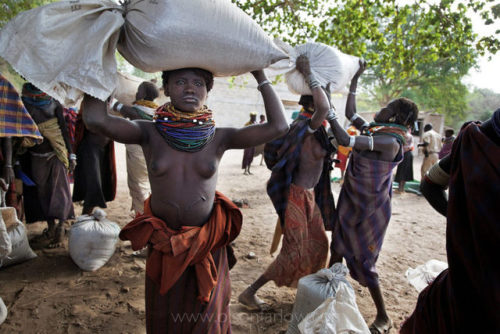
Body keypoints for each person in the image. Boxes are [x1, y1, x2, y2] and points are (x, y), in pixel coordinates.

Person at [82, 67, 288, 333]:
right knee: (167, 318)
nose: (190, 88)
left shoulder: (220, 136)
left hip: (206, 244)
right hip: (165, 246)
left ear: (207, 90)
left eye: (199, 83)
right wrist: (100, 60)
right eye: (180, 82)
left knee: (207, 320)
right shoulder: (149, 133)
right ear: (166, 89)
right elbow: (95, 119)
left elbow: (279, 126)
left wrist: (260, 76)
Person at [327, 61, 419, 334]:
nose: (382, 109)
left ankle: (382, 315)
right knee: (337, 250)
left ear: (396, 118)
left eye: (387, 108)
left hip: (371, 207)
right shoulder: (376, 131)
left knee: (365, 262)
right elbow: (351, 113)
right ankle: (330, 299)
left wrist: (326, 105)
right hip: (352, 199)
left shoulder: (391, 142)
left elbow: (344, 138)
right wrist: (355, 79)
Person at [238, 55, 335, 310]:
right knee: (292, 251)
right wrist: (309, 74)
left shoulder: (319, 129)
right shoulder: (305, 125)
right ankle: (249, 292)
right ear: (314, 103)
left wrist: (327, 87)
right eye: (324, 96)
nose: (329, 101)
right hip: (295, 195)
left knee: (319, 245)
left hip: (309, 197)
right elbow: (324, 108)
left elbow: (338, 128)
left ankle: (308, 294)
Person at [400, 109, 500, 334]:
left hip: (462, 292)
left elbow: (430, 184)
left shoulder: (478, 140)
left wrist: (465, 219)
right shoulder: (478, 138)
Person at [20, 83, 76, 247]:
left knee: (61, 191)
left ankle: (60, 228)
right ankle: (51, 227)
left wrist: (71, 155)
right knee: (42, 192)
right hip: (36, 156)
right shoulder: (23, 102)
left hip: (55, 153)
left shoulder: (54, 103)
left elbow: (64, 131)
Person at [113, 81, 159, 216]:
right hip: (153, 154)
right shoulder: (156, 112)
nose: (136, 93)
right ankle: (148, 211)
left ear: (144, 94)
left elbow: (114, 104)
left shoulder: (135, 111)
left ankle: (142, 214)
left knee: (138, 185)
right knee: (148, 184)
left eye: (139, 91)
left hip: (138, 156)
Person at [0, 74, 43, 218]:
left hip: (2, 158)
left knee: (7, 204)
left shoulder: (2, 85)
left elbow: (7, 129)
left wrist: (7, 165)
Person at [72, 101, 117, 215]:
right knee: (94, 185)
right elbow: (89, 124)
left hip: (102, 151)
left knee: (99, 183)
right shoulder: (89, 104)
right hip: (90, 150)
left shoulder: (107, 105)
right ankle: (85, 216)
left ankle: (86, 215)